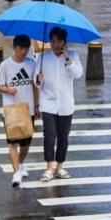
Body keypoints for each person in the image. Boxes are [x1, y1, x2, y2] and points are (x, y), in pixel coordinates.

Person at [34, 27, 83, 182]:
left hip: (66, 104)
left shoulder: (73, 55)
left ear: (64, 42)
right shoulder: (43, 57)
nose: (55, 45)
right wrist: (38, 80)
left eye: (59, 41)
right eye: (53, 41)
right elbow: (35, 82)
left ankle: (60, 167)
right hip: (48, 103)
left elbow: (78, 74)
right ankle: (49, 167)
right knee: (49, 135)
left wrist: (68, 58)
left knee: (63, 137)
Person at [0, 35, 38, 187]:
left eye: (26, 49)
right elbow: (0, 85)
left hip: (28, 108)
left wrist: (37, 105)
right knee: (13, 143)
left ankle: (20, 164)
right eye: (21, 48)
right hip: (11, 108)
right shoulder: (5, 65)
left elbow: (35, 85)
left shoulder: (32, 63)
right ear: (14, 48)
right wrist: (7, 89)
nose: (23, 52)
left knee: (26, 144)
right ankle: (16, 173)